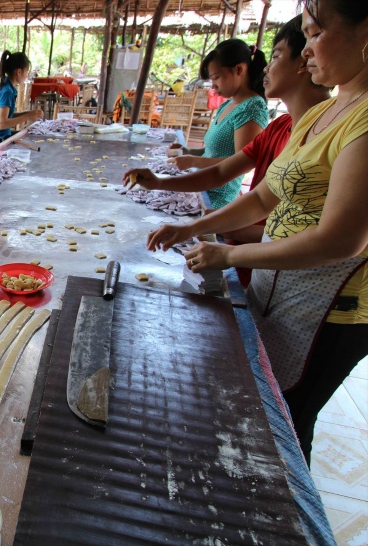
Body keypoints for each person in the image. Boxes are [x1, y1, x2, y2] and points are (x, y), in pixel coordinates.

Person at [146, 0, 368, 465]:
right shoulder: (321, 113)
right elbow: (264, 198)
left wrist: (228, 256)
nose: (307, 51)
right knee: (266, 406)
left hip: (332, 309)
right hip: (281, 286)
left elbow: (341, 241)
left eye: (315, 33)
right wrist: (192, 227)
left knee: (290, 421)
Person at [123, 15, 331, 249]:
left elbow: (328, 239)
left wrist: (227, 242)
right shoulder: (280, 127)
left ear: (306, 60)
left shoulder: (332, 132)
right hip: (262, 261)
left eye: (276, 56)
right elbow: (233, 180)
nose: (266, 68)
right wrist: (161, 184)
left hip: (282, 261)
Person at [170, 39, 269, 208]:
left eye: (216, 78)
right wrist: (188, 151)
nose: (213, 86)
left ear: (239, 70)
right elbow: (212, 150)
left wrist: (193, 161)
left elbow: (241, 164)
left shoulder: (253, 107)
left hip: (217, 198)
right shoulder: (227, 104)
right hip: (200, 188)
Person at [0, 50, 44, 149]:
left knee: (33, 136)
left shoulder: (9, 87)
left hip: (1, 135)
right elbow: (2, 124)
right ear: (19, 72)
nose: (27, 75)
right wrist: (28, 115)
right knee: (32, 144)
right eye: (26, 72)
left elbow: (8, 116)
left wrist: (29, 113)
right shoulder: (6, 91)